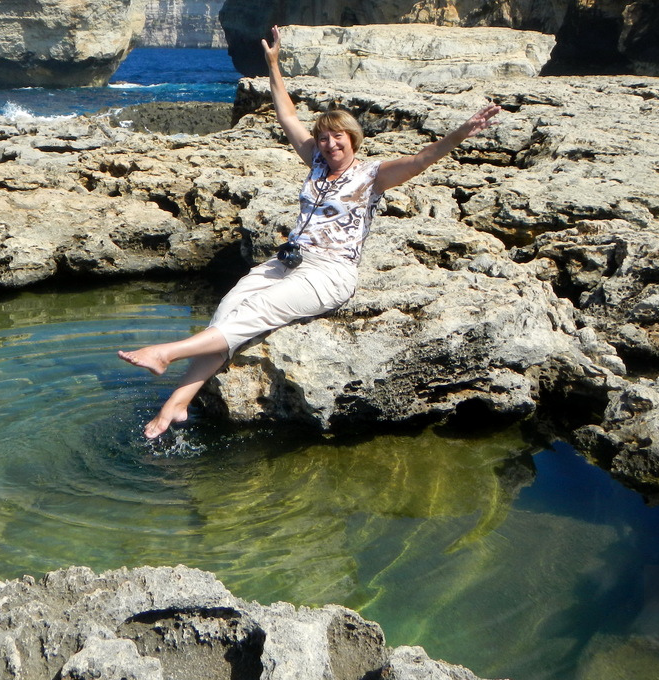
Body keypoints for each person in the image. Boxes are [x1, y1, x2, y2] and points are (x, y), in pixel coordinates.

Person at [119, 25, 502, 438]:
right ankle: (177, 404)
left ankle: (166, 352)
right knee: (228, 309)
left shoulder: (372, 176)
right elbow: (286, 111)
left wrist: (462, 132)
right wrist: (273, 64)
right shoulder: (316, 162)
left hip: (330, 272)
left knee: (256, 313)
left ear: (352, 138)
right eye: (323, 137)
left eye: (336, 136)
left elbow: (423, 158)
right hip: (288, 259)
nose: (329, 144)